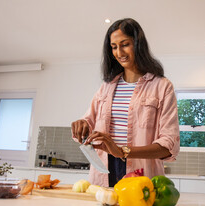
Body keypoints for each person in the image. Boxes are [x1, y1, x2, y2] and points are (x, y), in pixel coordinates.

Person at [71, 18, 180, 187]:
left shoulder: (162, 86)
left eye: (125, 44)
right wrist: (82, 124)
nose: (119, 52)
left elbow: (168, 145)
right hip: (104, 170)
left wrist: (122, 151)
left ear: (138, 44)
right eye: (114, 47)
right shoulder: (106, 87)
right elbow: (89, 122)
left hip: (141, 171)